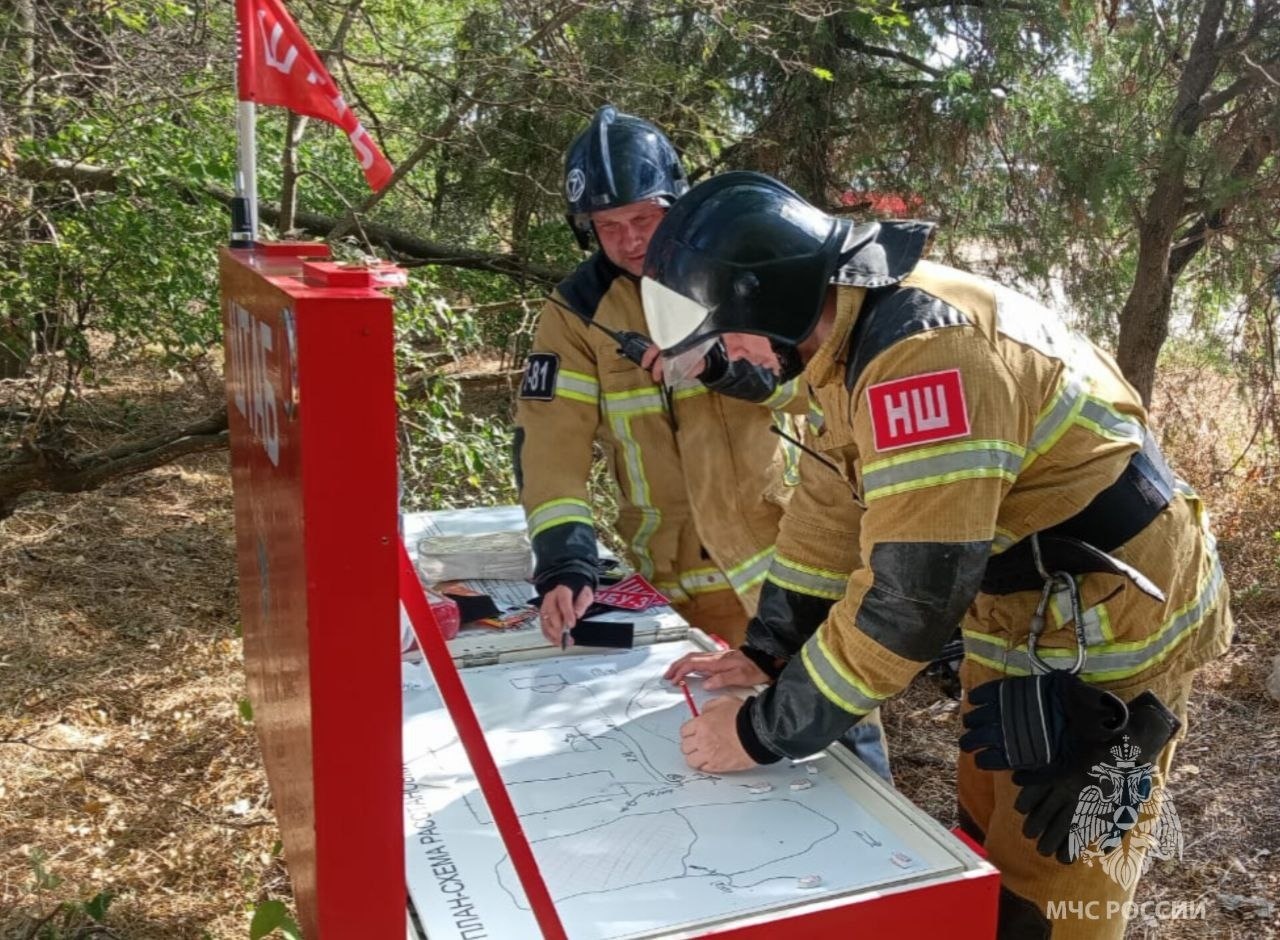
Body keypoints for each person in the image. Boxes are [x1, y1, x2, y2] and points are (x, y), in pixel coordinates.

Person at [643, 171, 1232, 938]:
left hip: (1118, 619)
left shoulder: (923, 356)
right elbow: (830, 507)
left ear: (769, 299)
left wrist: (759, 732)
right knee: (987, 828)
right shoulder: (846, 340)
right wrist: (770, 650)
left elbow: (908, 603)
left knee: (1062, 864)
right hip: (1027, 599)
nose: (735, 357)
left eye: (727, 335)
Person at [513, 107, 806, 653]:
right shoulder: (578, 310)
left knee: (831, 734)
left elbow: (816, 391)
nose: (628, 241)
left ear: (675, 203)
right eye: (608, 227)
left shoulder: (744, 271)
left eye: (643, 220)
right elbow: (550, 442)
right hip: (668, 582)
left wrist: (726, 370)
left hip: (784, 567)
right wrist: (564, 559)